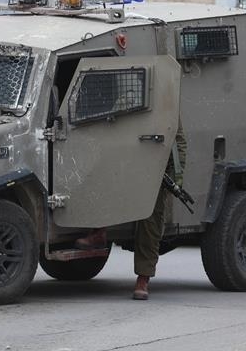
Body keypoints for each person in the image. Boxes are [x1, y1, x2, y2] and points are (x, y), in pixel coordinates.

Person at [73, 124, 186, 300]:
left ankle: (143, 277)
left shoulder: (166, 97)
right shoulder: (129, 95)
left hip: (153, 165)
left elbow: (178, 138)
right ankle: (98, 231)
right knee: (102, 184)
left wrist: (177, 175)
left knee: (151, 219)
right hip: (126, 160)